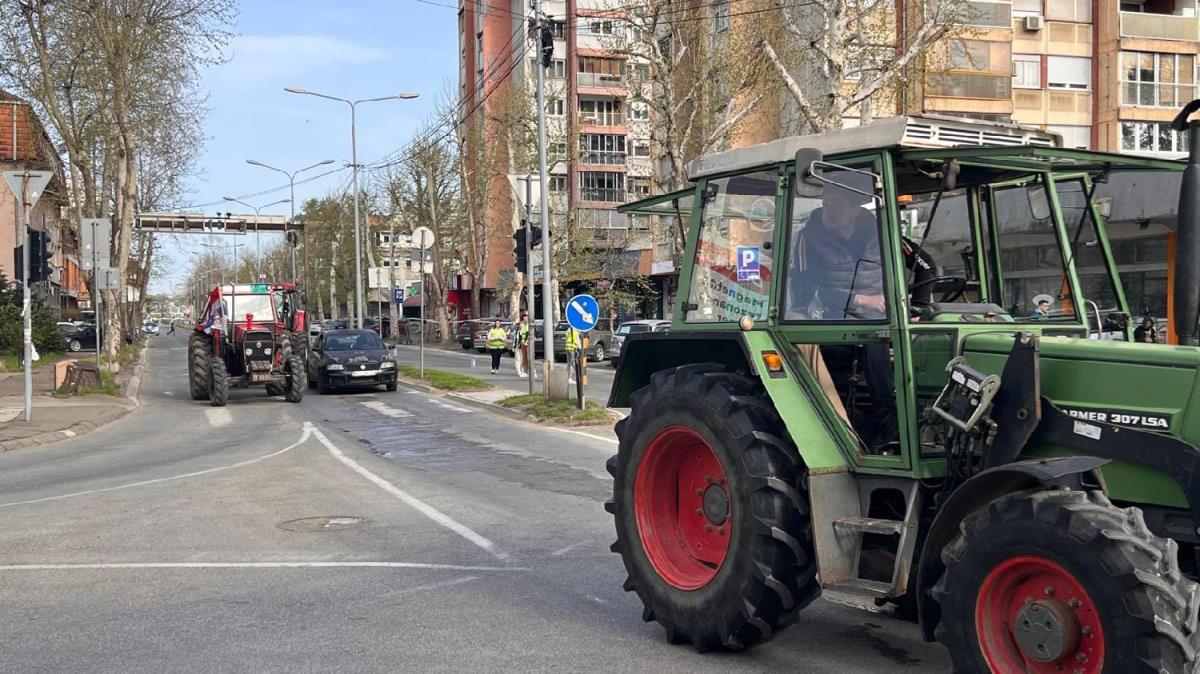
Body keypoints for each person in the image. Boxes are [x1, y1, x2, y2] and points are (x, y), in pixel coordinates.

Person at [515, 312, 532, 378]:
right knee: (522, 359)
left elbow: (528, 334)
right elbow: (519, 336)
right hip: (521, 344)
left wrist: (525, 341)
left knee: (527, 358)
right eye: (523, 317)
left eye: (526, 316)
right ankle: (523, 371)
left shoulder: (528, 325)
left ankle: (530, 371)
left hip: (526, 344)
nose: (524, 318)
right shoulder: (522, 327)